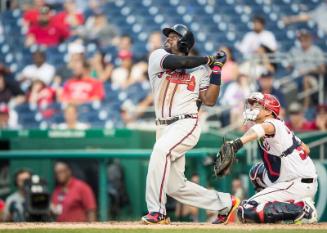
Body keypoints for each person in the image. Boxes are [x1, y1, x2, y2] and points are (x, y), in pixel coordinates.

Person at [141, 24, 239, 225]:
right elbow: (182, 61)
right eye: (168, 36)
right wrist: (209, 59)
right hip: (162, 127)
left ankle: (157, 212)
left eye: (174, 37)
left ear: (185, 42)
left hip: (185, 123)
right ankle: (225, 203)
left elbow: (209, 100)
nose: (168, 39)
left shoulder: (202, 70)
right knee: (176, 187)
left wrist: (216, 70)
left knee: (160, 151)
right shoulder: (157, 57)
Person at [220, 92, 318, 224]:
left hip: (296, 183)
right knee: (256, 173)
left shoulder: (272, 123)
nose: (252, 108)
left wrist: (238, 143)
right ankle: (275, 215)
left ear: (268, 111)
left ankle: (303, 209)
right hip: (295, 178)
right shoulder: (281, 126)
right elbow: (306, 148)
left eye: (257, 106)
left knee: (245, 210)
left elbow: (262, 128)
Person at [286, 30, 325, 107]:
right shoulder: (294, 51)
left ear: (310, 39)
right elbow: (288, 66)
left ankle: (305, 107)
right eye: (301, 40)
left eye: (305, 39)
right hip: (296, 77)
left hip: (313, 77)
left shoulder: (316, 51)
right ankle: (290, 108)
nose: (303, 42)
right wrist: (289, 66)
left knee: (306, 80)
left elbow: (323, 69)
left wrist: (308, 70)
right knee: (285, 85)